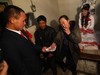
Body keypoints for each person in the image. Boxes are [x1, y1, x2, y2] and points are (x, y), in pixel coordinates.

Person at [0, 5, 45, 75]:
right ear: (12, 20)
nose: (25, 23)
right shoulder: (6, 42)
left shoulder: (20, 30)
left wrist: (42, 49)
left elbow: (30, 45)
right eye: (23, 21)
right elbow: (19, 68)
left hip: (36, 67)